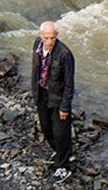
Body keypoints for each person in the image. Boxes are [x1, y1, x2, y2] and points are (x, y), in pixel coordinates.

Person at [31, 20, 77, 176]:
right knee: (46, 129)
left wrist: (65, 107)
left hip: (58, 97)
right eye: (46, 38)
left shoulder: (65, 54)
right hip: (42, 93)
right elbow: (36, 70)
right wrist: (34, 93)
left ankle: (64, 166)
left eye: (52, 38)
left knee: (60, 133)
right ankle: (60, 152)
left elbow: (69, 84)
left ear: (57, 35)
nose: (49, 41)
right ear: (41, 36)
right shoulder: (37, 45)